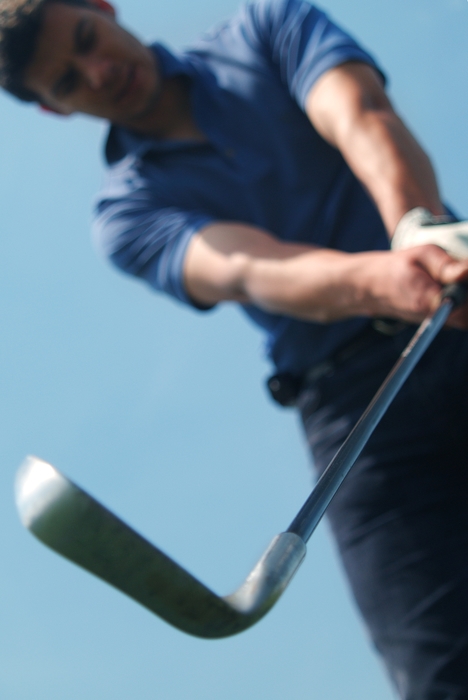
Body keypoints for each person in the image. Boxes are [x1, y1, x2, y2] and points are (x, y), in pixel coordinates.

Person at [2, 0, 468, 696]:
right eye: (67, 81)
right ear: (54, 110)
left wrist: (417, 227)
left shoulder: (268, 26)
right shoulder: (125, 216)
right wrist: (384, 279)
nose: (98, 72)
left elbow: (359, 114)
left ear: (101, 7)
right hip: (355, 423)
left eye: (88, 39)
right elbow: (252, 269)